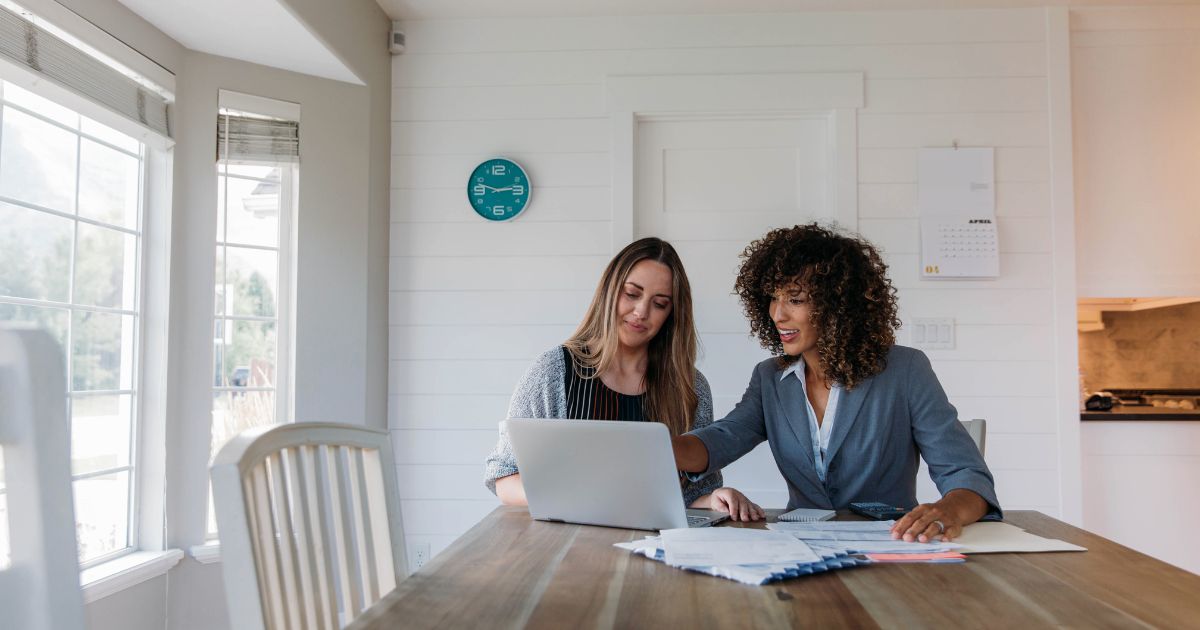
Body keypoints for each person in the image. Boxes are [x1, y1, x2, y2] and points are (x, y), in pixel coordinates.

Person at [671, 223, 1001, 541]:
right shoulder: (770, 378)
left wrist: (947, 511)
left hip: (889, 549)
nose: (777, 314)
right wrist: (660, 448)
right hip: (801, 548)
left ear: (839, 306)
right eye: (773, 297)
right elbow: (723, 439)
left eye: (796, 300)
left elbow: (966, 474)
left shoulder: (905, 370)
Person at [484, 237, 763, 520]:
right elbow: (504, 477)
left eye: (660, 303)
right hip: (571, 547)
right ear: (609, 292)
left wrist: (714, 498)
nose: (641, 312)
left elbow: (689, 496)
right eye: (632, 294)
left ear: (672, 314)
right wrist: (577, 497)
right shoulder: (554, 371)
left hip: (656, 549)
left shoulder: (690, 386)